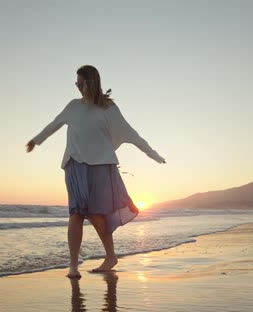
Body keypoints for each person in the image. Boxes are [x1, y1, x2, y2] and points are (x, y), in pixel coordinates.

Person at [26, 65, 166, 278]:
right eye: (76, 84)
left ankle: (110, 256)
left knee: (96, 213)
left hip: (100, 166)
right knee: (76, 212)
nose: (78, 88)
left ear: (92, 83)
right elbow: (55, 124)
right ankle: (73, 265)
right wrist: (36, 140)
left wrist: (153, 154)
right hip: (74, 164)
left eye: (81, 83)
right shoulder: (73, 106)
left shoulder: (108, 108)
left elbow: (131, 133)